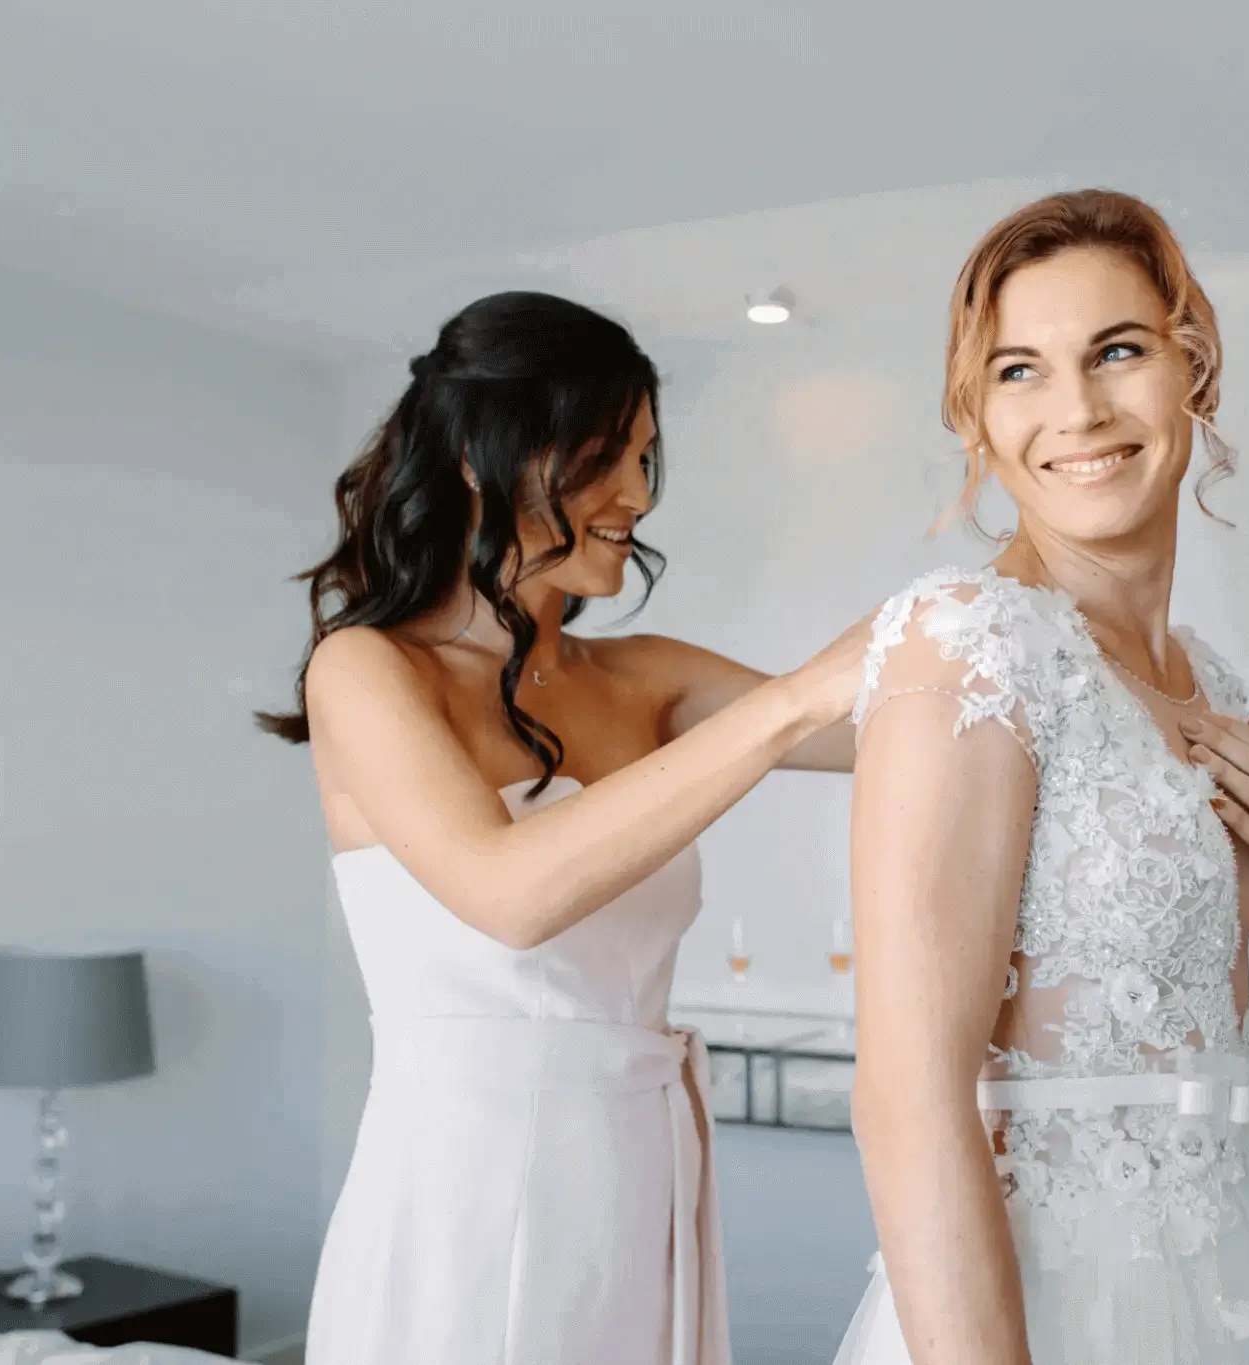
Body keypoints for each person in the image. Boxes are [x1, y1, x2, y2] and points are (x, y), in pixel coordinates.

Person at [256, 291, 866, 1365]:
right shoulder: (367, 671)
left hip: (640, 1175)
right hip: (463, 1191)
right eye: (601, 458)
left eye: (643, 458)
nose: (636, 494)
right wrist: (780, 709)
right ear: (482, 462)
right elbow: (508, 894)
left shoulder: (647, 679)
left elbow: (902, 733)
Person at [831, 189, 1249, 1365]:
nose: (1075, 409)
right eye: (1019, 371)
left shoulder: (1209, 681)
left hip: (1233, 1271)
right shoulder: (966, 641)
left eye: (1116, 352)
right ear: (974, 417)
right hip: (1056, 1305)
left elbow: (1191, 1033)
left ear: (1194, 368)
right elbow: (907, 1101)